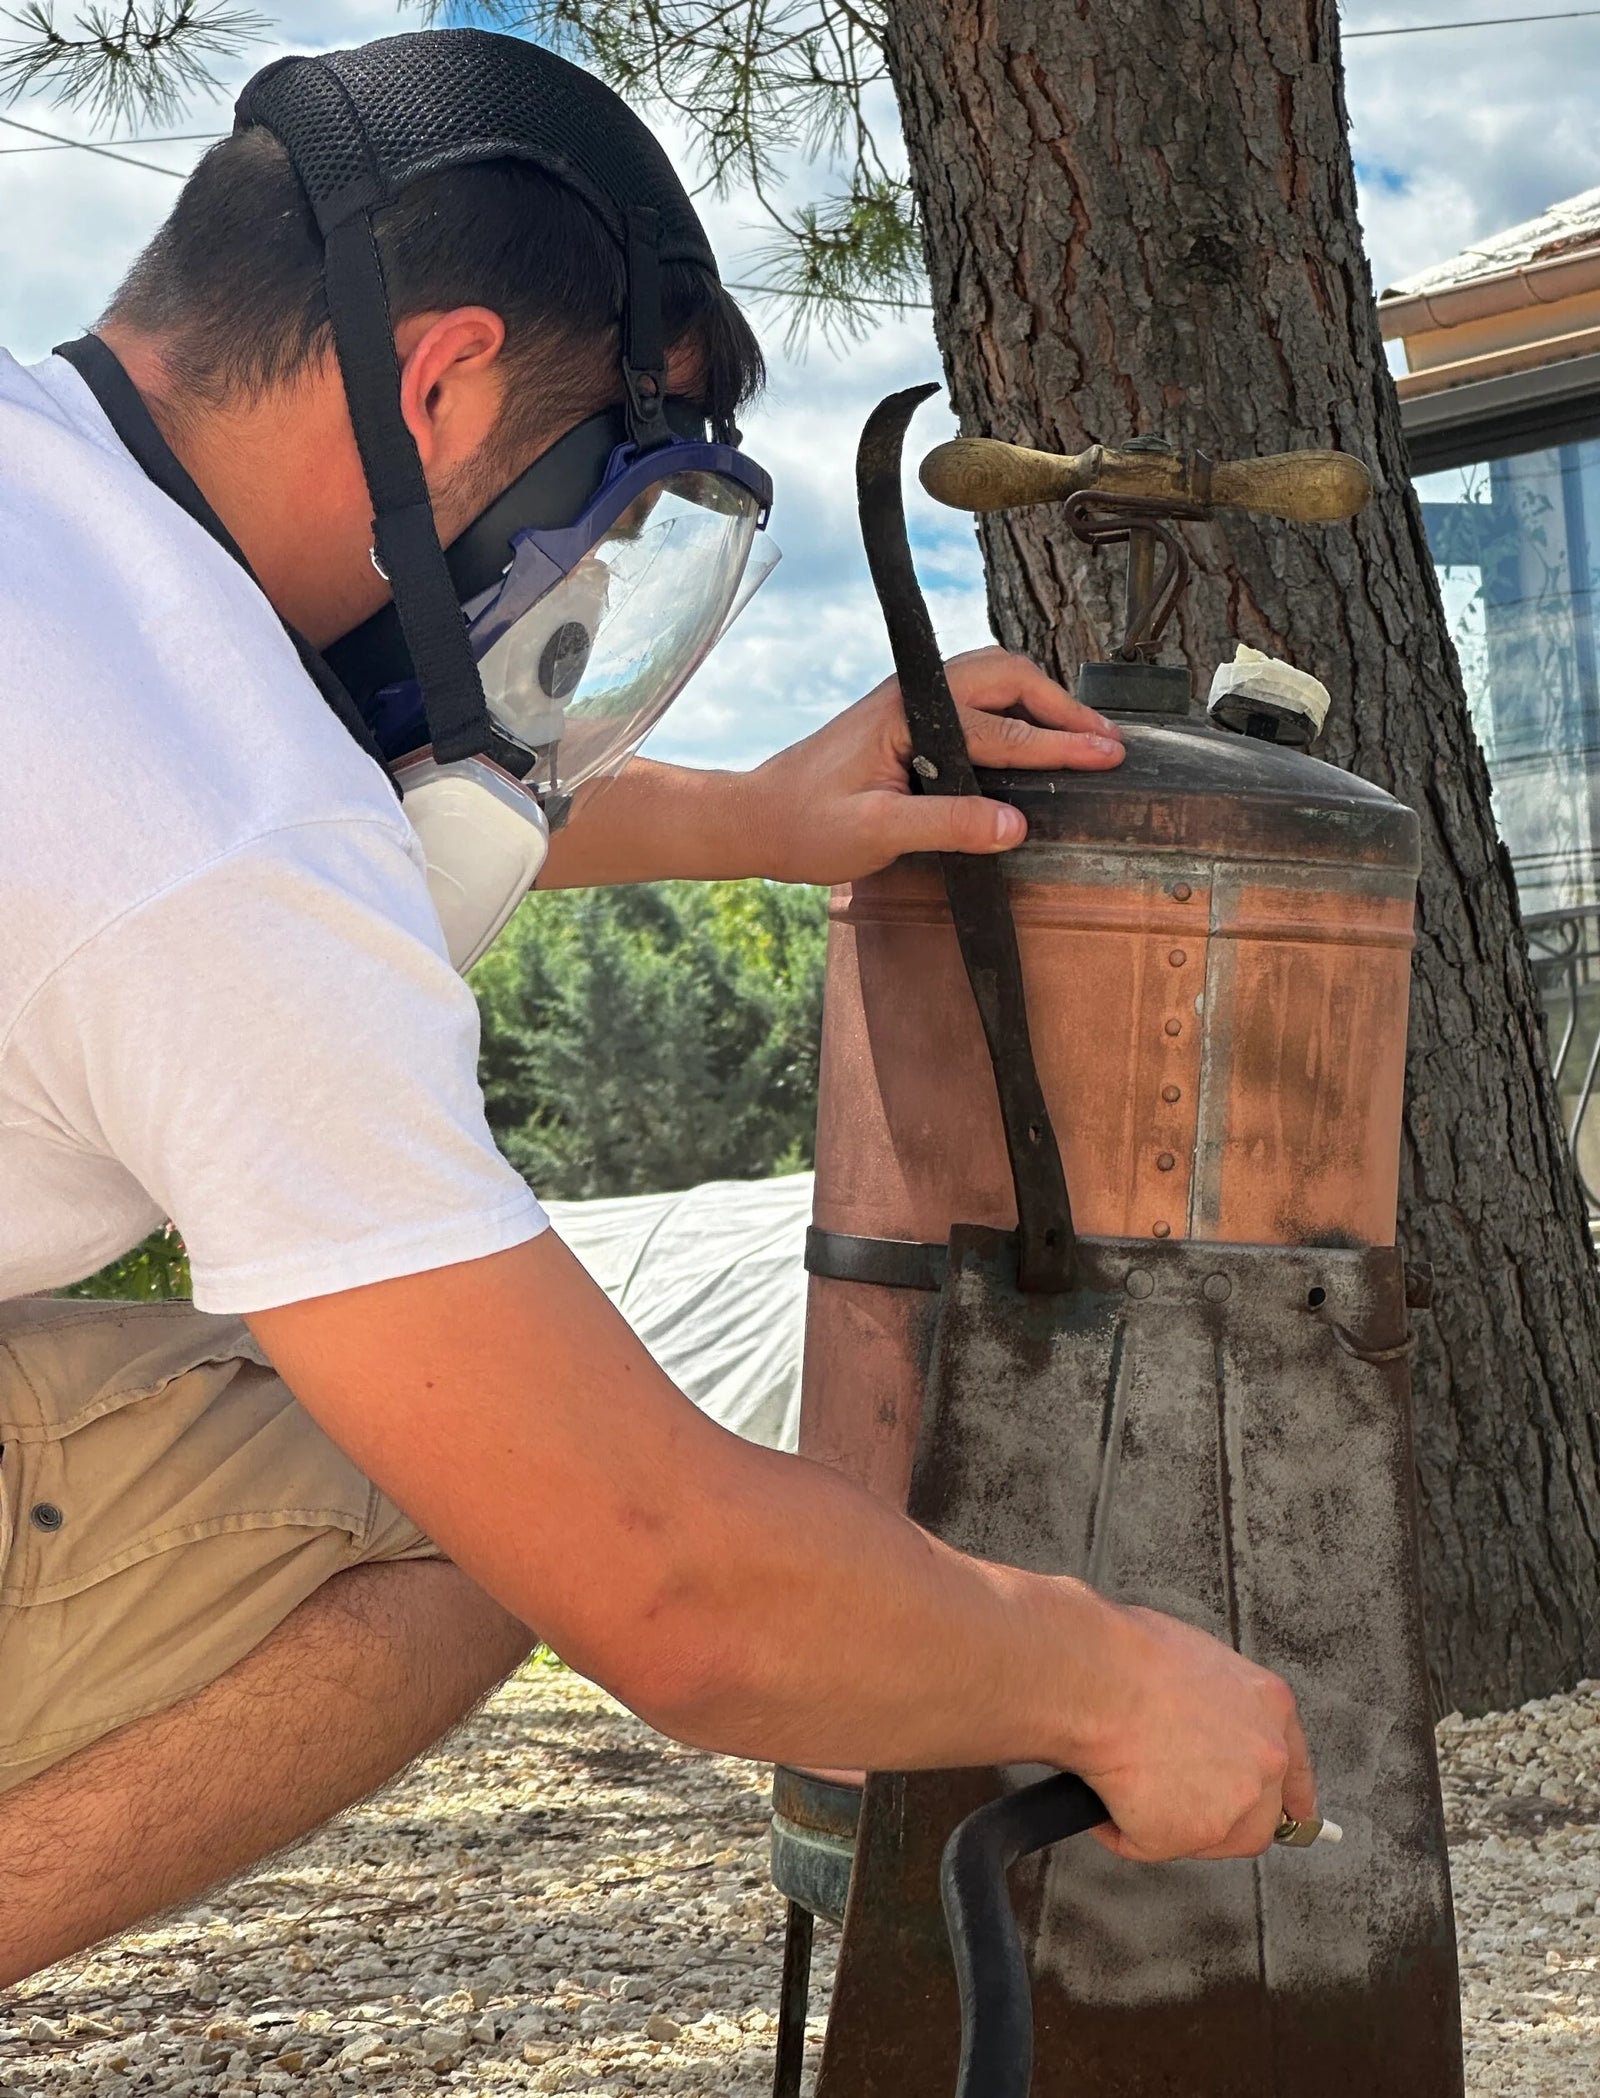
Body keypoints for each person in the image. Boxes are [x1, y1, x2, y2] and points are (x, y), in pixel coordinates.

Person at [0, 27, 1314, 1988]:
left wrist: (768, 816)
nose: (569, 600)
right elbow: (656, 1570)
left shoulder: (66, 536)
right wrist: (1107, 1675)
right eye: (586, 521)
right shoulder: (212, 834)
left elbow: (310, 819)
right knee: (462, 1522)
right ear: (438, 386)